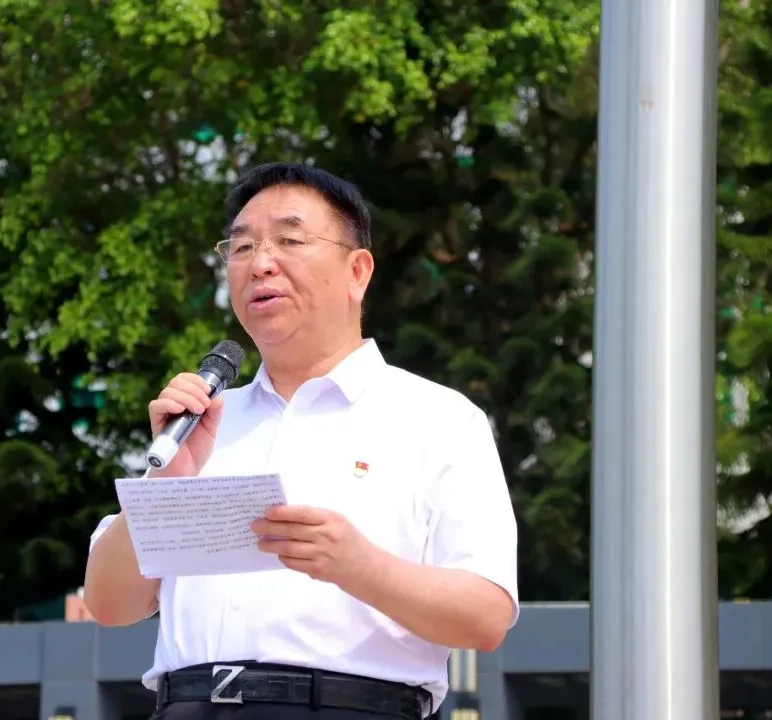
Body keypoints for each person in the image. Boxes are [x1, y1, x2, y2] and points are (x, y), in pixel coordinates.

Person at [83, 162, 519, 720]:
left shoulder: (438, 418)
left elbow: (485, 618)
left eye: (289, 241)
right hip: (186, 705)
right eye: (241, 248)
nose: (261, 264)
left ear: (357, 271)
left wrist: (357, 564)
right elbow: (109, 604)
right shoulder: (200, 422)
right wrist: (167, 482)